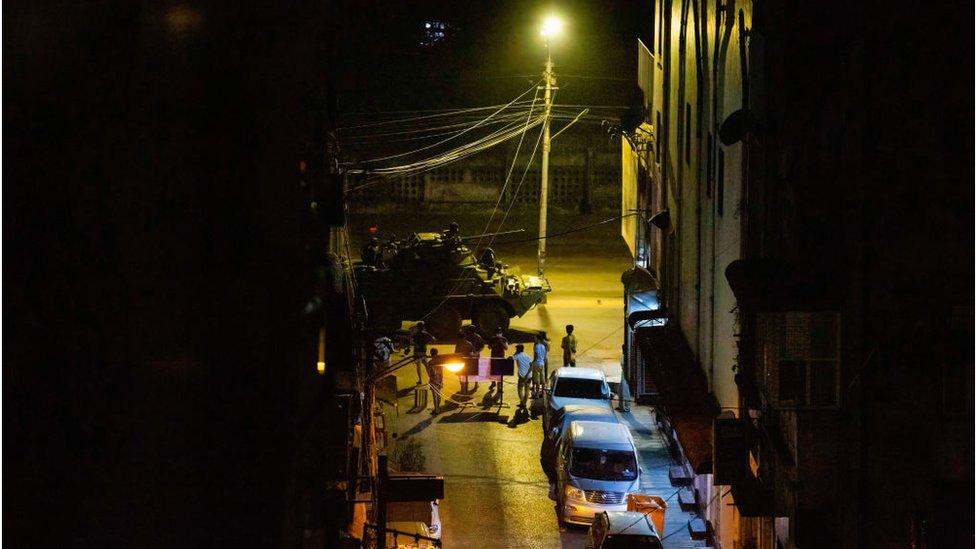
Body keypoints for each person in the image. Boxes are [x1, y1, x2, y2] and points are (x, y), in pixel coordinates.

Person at [410, 321, 436, 385]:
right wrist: (426, 343)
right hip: (423, 352)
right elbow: (433, 339)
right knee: (426, 366)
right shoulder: (425, 334)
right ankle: (431, 379)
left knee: (419, 367)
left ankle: (421, 380)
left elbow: (410, 341)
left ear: (418, 327)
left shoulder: (416, 334)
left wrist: (415, 344)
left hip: (417, 352)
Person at [487, 327, 509, 395]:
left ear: (501, 333)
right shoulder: (492, 339)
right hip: (494, 358)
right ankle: (493, 383)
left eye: (500, 333)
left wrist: (501, 342)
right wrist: (497, 343)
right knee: (492, 372)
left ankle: (499, 388)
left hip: (501, 359)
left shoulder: (504, 339)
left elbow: (506, 348)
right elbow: (489, 347)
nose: (499, 334)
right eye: (497, 333)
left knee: (500, 374)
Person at [423, 348, 443, 414]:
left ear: (431, 353)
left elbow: (429, 373)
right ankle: (438, 408)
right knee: (438, 393)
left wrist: (425, 365)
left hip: (433, 379)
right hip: (439, 378)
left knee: (435, 395)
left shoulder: (431, 362)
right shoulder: (440, 361)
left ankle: (437, 409)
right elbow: (442, 371)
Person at [532, 333, 548, 398]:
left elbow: (535, 355)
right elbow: (544, 356)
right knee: (543, 378)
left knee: (537, 380)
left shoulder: (537, 346)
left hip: (537, 363)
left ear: (538, 339)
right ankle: (544, 393)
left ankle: (537, 394)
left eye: (535, 338)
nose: (534, 339)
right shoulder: (543, 346)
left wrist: (533, 362)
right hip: (542, 363)